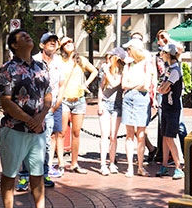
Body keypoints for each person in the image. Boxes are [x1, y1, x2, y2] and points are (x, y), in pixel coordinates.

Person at [0, 29, 58, 208]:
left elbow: (48, 95)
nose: (28, 37)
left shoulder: (41, 67)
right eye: (22, 36)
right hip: (14, 129)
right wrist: (29, 119)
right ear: (14, 45)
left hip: (38, 130)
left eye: (28, 35)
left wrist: (40, 117)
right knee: (10, 173)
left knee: (37, 172)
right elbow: (5, 102)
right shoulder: (8, 69)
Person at [17, 32, 64, 188]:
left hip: (50, 109)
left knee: (45, 143)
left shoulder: (59, 61)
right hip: (32, 109)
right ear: (42, 45)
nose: (52, 44)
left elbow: (61, 85)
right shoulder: (34, 60)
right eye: (48, 41)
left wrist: (56, 105)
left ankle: (43, 174)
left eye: (54, 41)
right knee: (27, 141)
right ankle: (24, 176)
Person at [59, 37, 97, 174]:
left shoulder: (80, 60)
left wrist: (86, 84)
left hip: (79, 99)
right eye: (65, 43)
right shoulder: (60, 60)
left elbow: (94, 71)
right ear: (62, 47)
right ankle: (61, 163)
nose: (69, 45)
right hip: (64, 99)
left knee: (76, 132)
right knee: (61, 132)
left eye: (70, 42)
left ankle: (74, 163)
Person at [121, 39, 154, 177]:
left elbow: (146, 85)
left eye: (129, 49)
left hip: (141, 99)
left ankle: (140, 166)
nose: (127, 51)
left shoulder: (147, 64)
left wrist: (131, 84)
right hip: (129, 99)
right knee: (129, 134)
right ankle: (130, 167)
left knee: (140, 135)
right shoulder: (127, 65)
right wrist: (136, 84)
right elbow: (123, 84)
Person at [155, 43, 184, 180]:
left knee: (170, 137)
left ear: (169, 54)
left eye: (164, 53)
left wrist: (162, 89)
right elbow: (162, 88)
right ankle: (164, 165)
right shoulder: (168, 69)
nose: (162, 55)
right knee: (165, 137)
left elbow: (163, 88)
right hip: (166, 106)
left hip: (173, 108)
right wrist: (162, 89)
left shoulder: (175, 71)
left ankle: (178, 167)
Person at [98, 47, 125, 174]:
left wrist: (106, 71)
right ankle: (103, 164)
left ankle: (112, 162)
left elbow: (115, 83)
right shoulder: (105, 71)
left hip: (117, 105)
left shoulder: (122, 72)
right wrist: (99, 104)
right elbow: (101, 87)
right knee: (104, 135)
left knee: (113, 136)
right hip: (105, 103)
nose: (108, 60)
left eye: (110, 57)